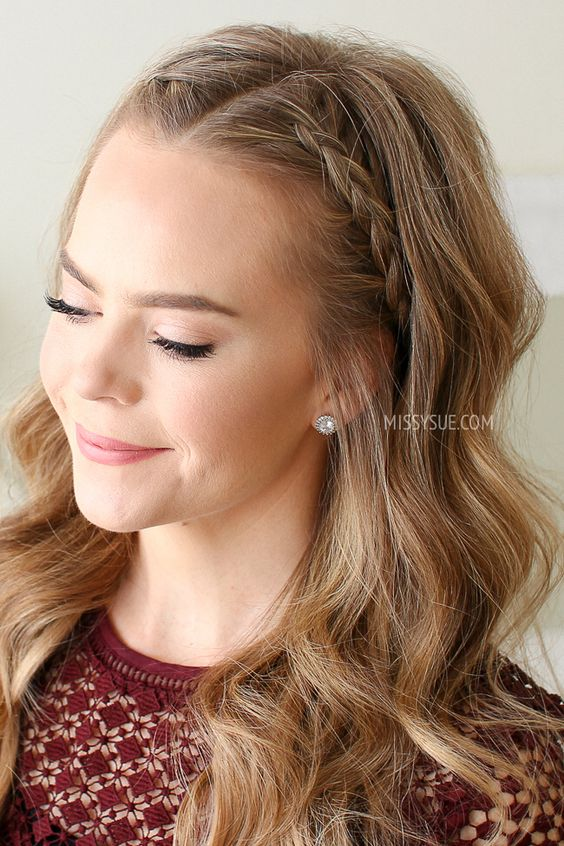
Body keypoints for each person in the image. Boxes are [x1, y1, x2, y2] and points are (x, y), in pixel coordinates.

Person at [0, 20, 562, 846]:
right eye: (73, 305)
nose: (88, 379)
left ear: (353, 372)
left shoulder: (482, 785)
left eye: (178, 341)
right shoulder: (14, 623)